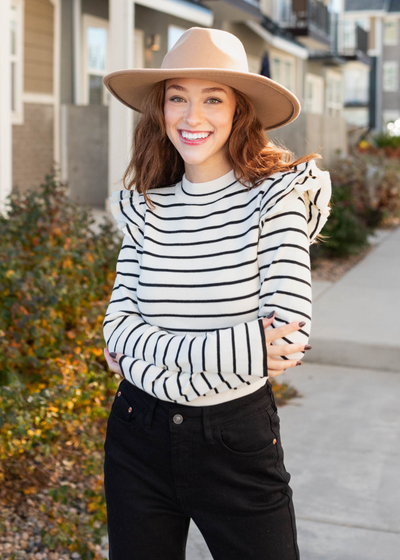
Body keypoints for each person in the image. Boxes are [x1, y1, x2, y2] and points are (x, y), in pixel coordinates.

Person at [101, 27, 331, 560]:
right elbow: (115, 331)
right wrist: (240, 346)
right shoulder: (144, 209)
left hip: (235, 442)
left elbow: (287, 339)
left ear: (239, 110)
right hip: (137, 433)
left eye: (212, 98)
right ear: (160, 110)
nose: (192, 116)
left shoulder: (278, 198)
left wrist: (148, 349)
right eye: (177, 97)